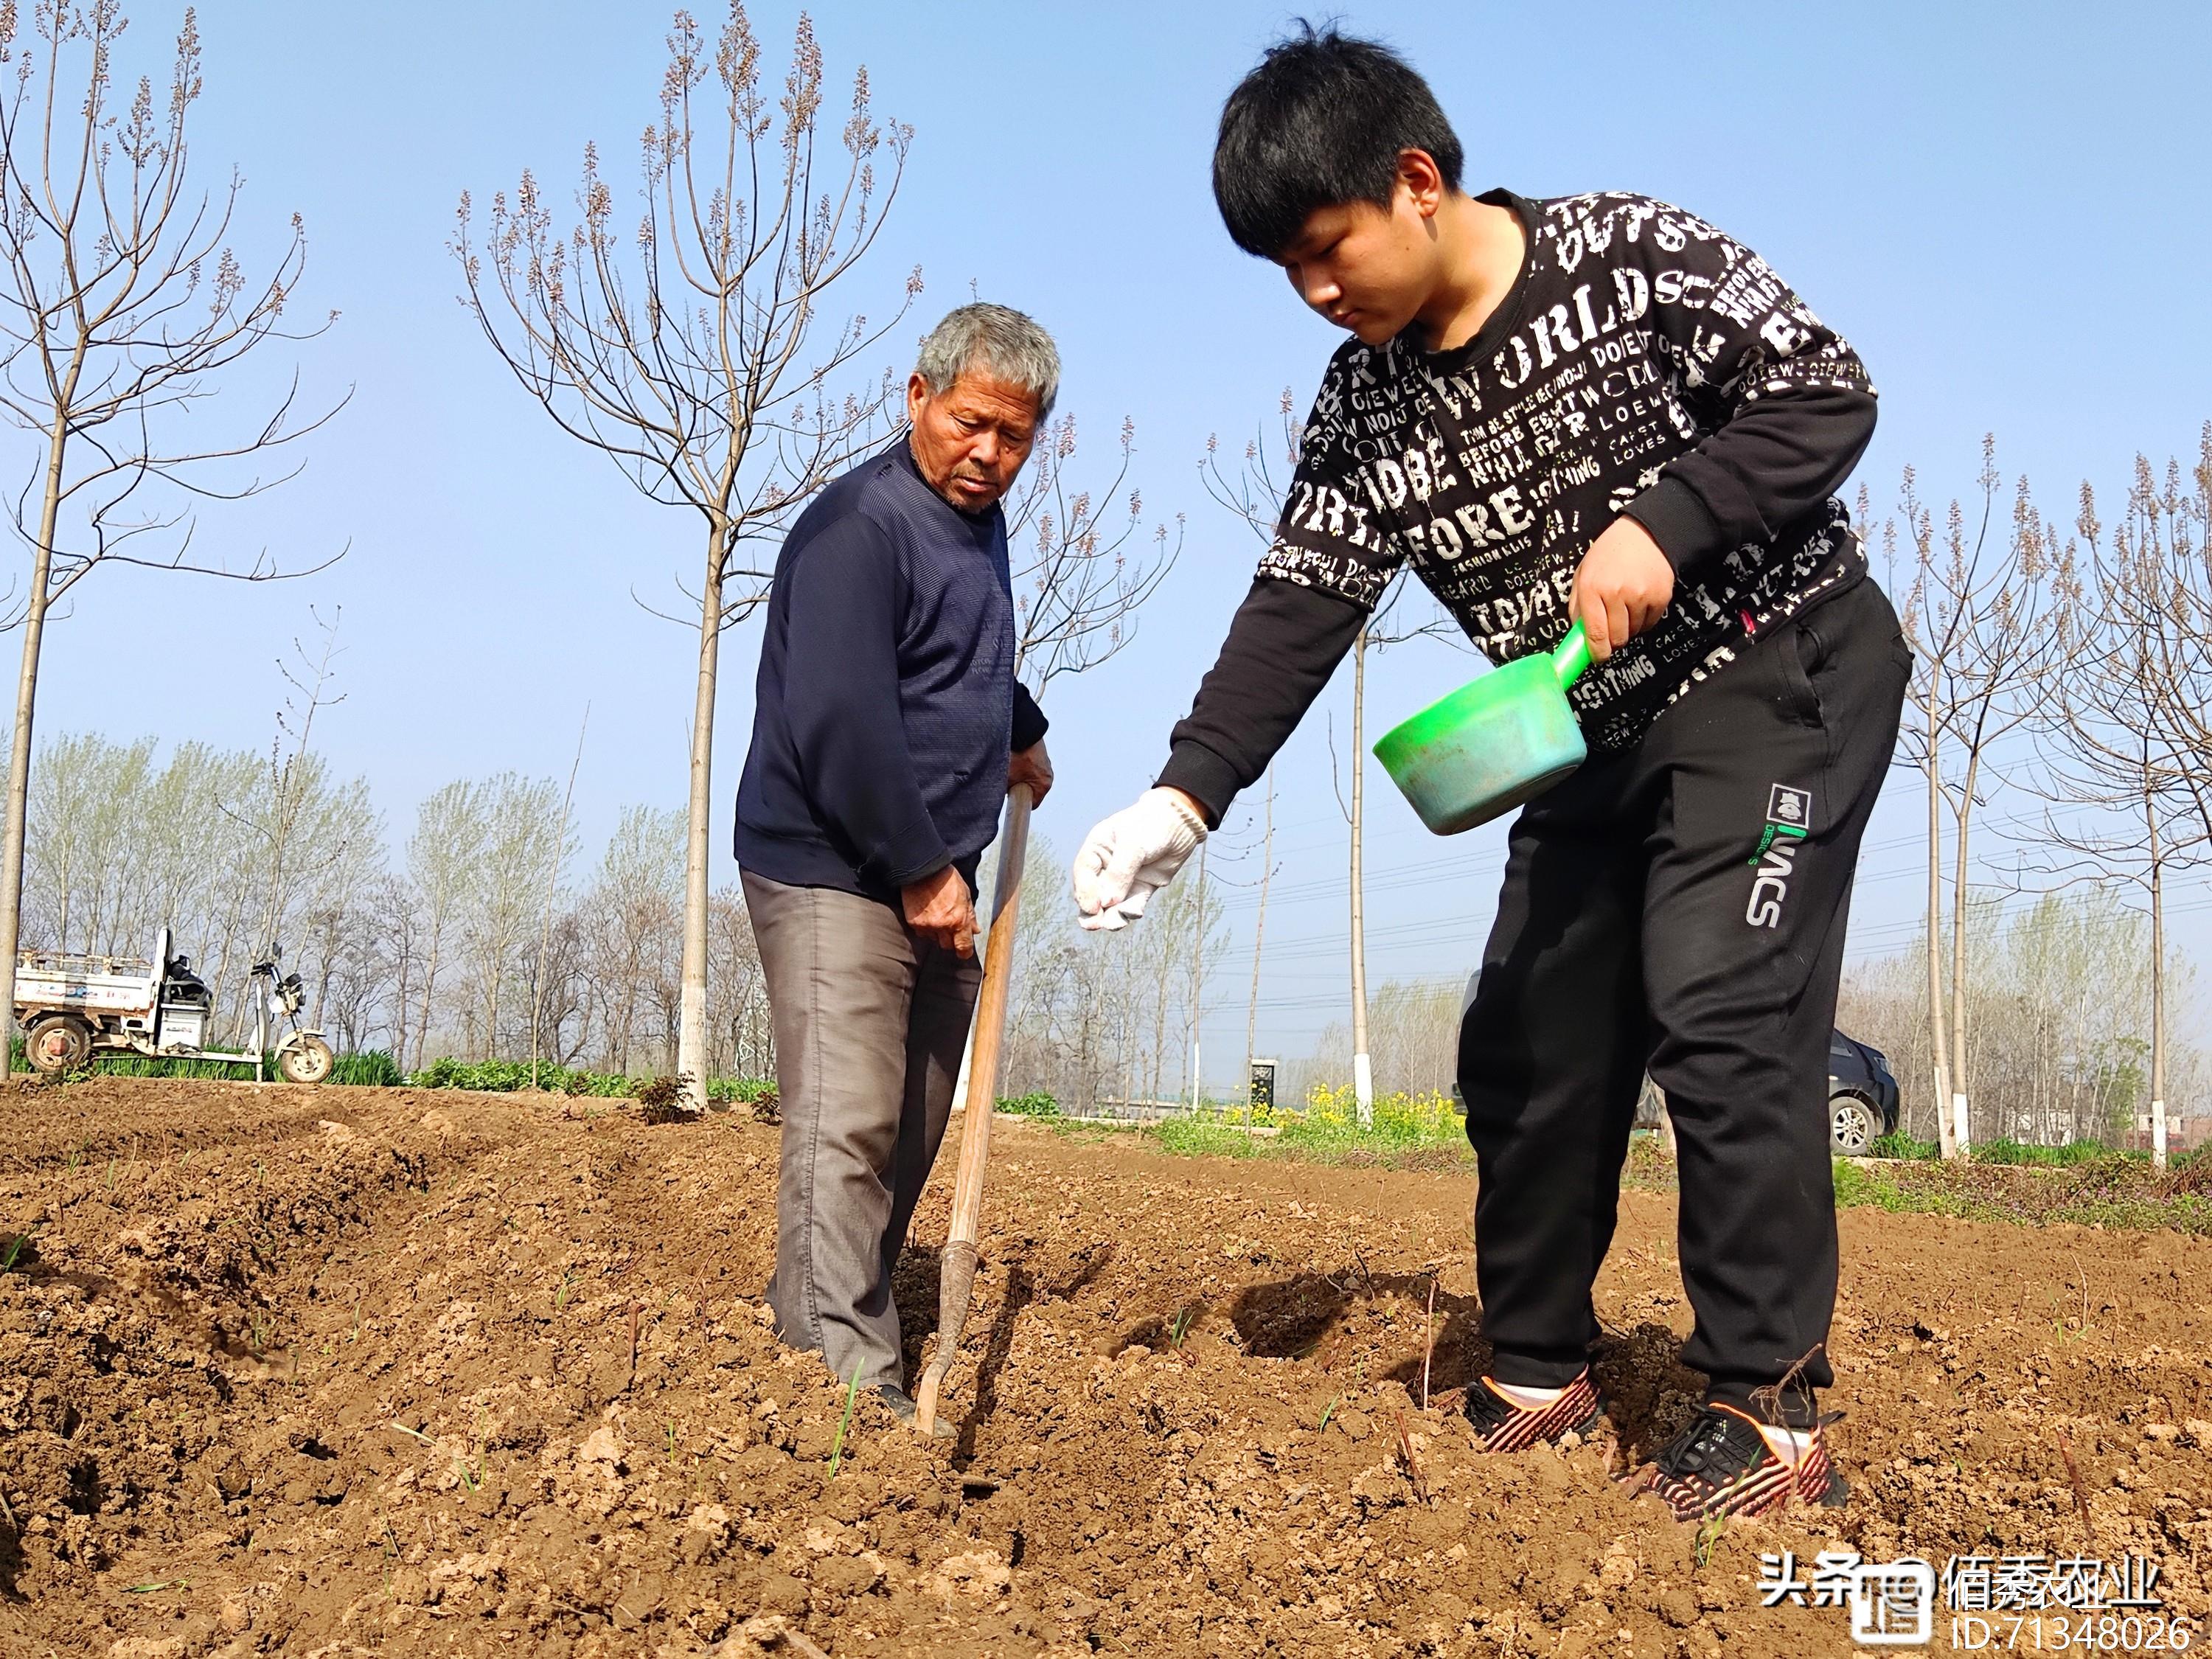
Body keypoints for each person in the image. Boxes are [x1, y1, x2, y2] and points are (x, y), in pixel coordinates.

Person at [1072, 29, 1908, 1523]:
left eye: (1327, 251)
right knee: (1527, 1041)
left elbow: (1825, 392)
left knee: (1724, 1005)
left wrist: (1671, 521)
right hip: (1579, 721)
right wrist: (1181, 796)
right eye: (1286, 272)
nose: (1316, 293)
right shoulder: (1365, 407)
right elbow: (1299, 603)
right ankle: (1539, 1362)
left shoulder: (1630, 259)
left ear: (1416, 183)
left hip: (1778, 674)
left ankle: (1771, 1412)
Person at [735, 303, 1057, 1433]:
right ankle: (847, 1402)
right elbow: (841, 714)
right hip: (837, 864)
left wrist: (1017, 723)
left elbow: (958, 651)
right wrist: (923, 869)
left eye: (1014, 438)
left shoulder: (976, 523)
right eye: (972, 424)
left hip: (936, 867)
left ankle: (810, 1329)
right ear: (916, 397)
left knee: (907, 1126)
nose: (989, 455)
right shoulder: (856, 527)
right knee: (850, 1123)